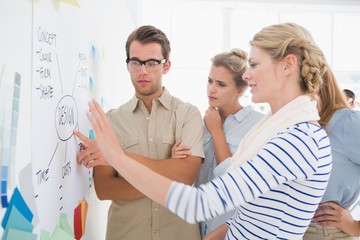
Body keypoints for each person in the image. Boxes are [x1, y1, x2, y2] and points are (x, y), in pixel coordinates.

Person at [75, 22, 333, 239]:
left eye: (254, 65)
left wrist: (118, 157)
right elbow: (257, 209)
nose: (248, 76)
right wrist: (226, 230)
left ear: (288, 65)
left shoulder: (298, 142)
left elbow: (198, 203)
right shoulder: (282, 133)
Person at [74, 25, 204, 240]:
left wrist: (117, 158)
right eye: (135, 62)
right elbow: (105, 188)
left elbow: (186, 176)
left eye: (152, 63)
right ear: (128, 66)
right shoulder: (111, 120)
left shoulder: (187, 114)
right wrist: (168, 174)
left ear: (166, 66)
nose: (143, 71)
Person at [172, 48, 264, 238]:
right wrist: (176, 159)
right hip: (196, 228)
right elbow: (190, 175)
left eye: (221, 84)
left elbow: (234, 179)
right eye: (210, 81)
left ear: (241, 88)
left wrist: (216, 132)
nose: (211, 89)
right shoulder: (197, 122)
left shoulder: (257, 125)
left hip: (232, 230)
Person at [302, 90, 360, 237]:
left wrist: (356, 227)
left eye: (254, 65)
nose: (248, 75)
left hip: (321, 231)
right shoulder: (281, 121)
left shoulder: (346, 122)